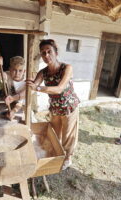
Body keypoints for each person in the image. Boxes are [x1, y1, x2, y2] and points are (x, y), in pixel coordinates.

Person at [26, 39, 80, 170]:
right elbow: (33, 86)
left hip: (69, 107)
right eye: (43, 53)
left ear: (56, 52)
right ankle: (57, 154)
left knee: (68, 136)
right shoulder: (43, 72)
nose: (46, 55)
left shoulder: (66, 68)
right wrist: (28, 85)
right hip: (55, 108)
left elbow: (59, 88)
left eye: (49, 51)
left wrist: (37, 88)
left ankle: (68, 158)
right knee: (55, 134)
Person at [0, 56, 26, 120]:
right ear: (10, 69)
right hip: (9, 101)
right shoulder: (8, 74)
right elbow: (1, 75)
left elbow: (20, 103)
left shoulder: (25, 83)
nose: (17, 73)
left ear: (24, 71)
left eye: (20, 71)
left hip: (21, 106)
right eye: (14, 70)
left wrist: (13, 111)